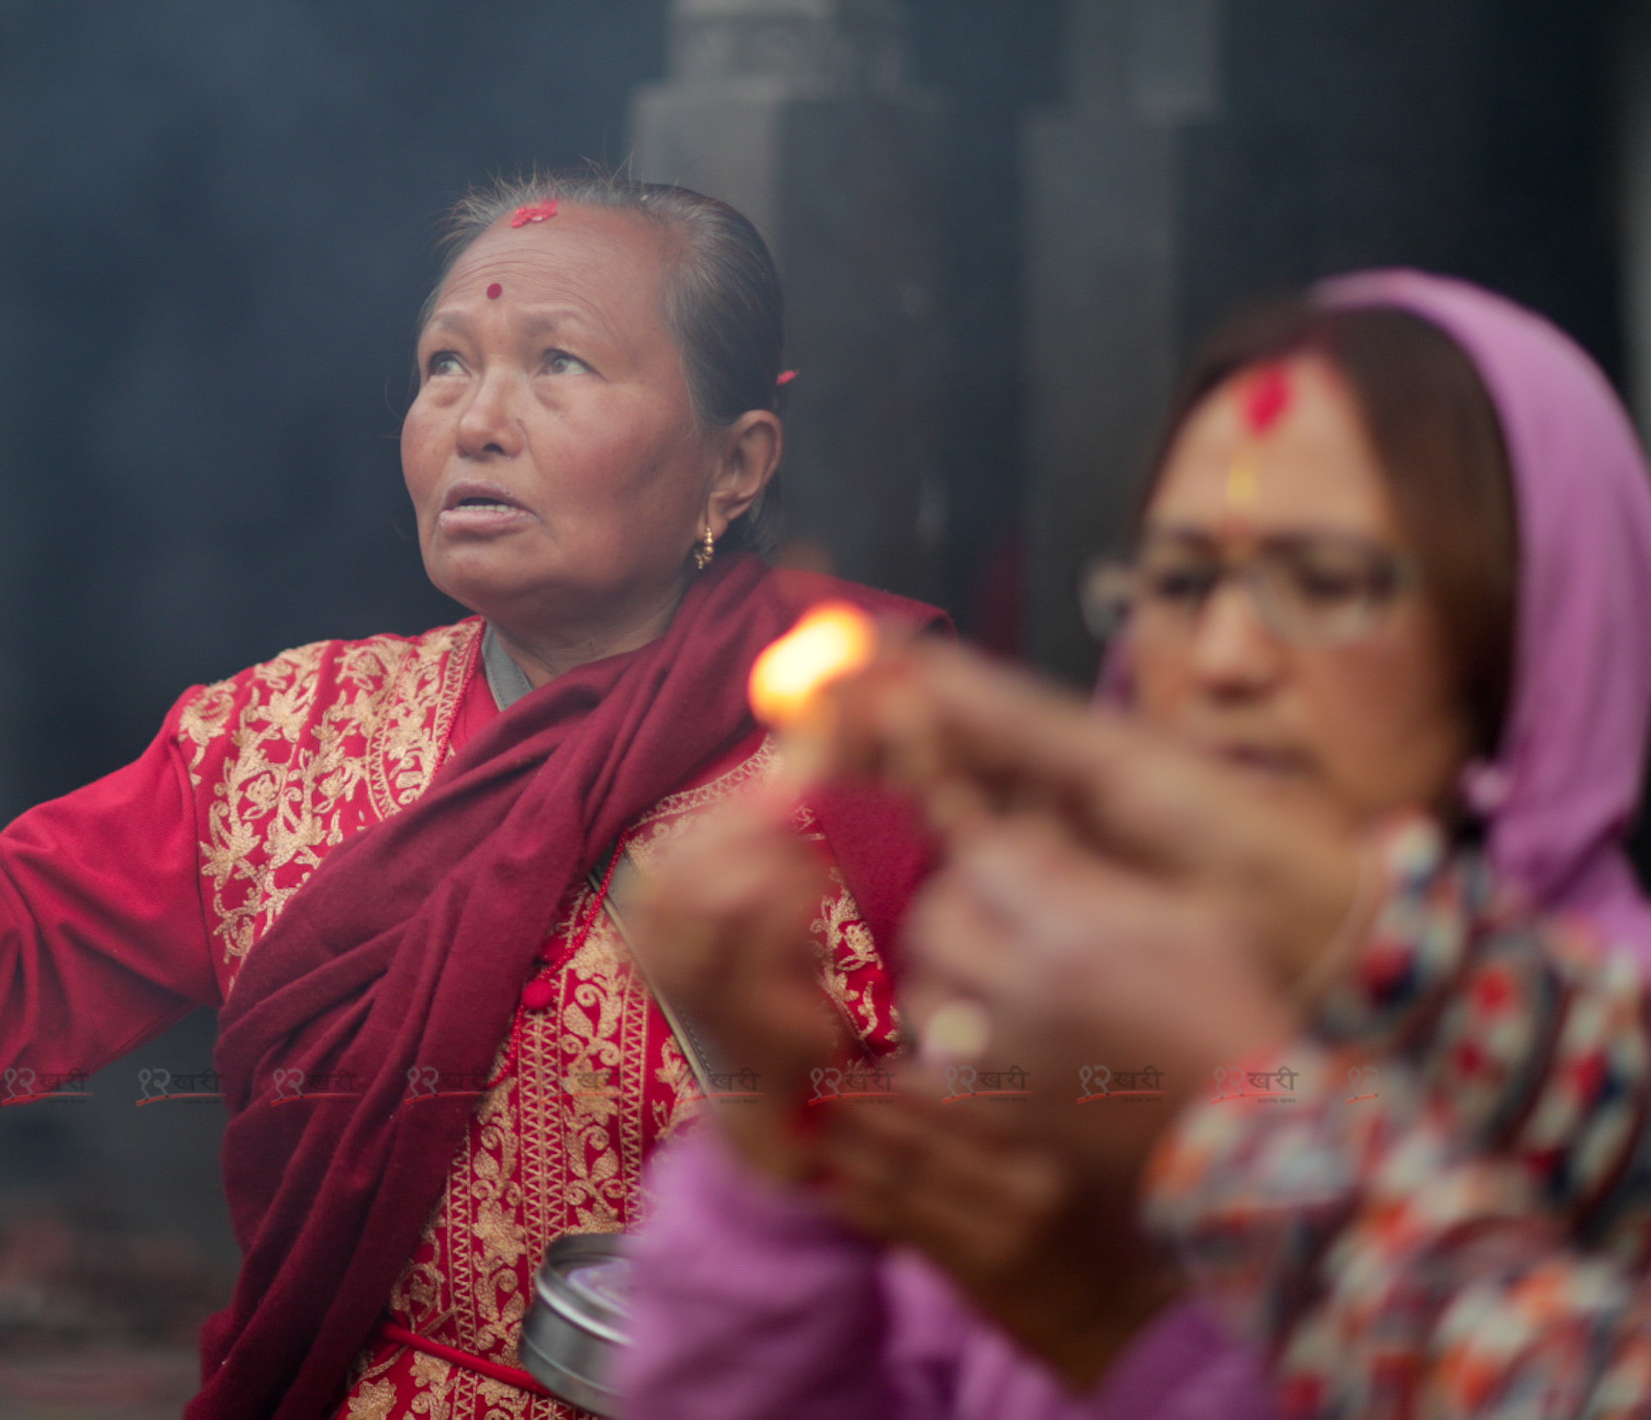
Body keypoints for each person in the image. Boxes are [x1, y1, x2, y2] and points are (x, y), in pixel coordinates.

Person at [0, 170, 944, 1420]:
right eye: (444, 365)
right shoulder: (276, 741)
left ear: (735, 464)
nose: (477, 421)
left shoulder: (876, 761)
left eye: (560, 364)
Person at [616, 271, 1651, 1418]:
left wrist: (1121, 1321)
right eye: (1181, 580)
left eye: (1327, 582)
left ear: (1533, 631)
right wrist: (784, 1131)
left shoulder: (1598, 1037)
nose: (1222, 659)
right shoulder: (1069, 1021)